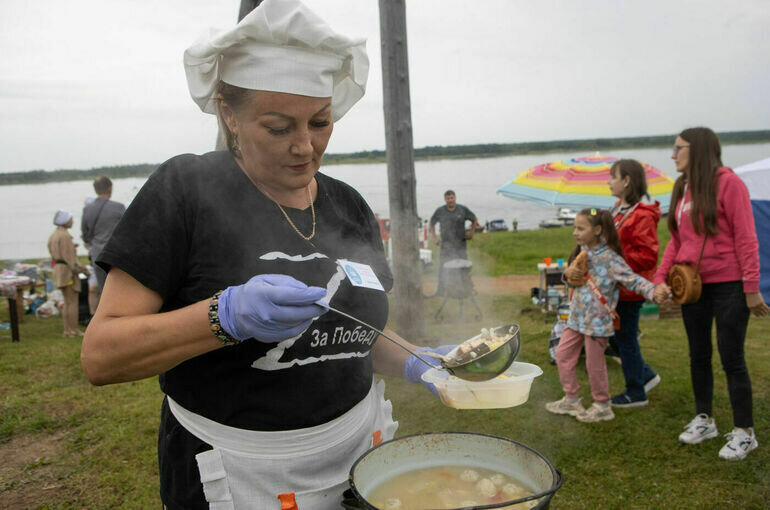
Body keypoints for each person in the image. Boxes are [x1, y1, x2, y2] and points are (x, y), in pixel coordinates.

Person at [80, 1, 453, 508]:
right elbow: (101, 355)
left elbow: (352, 325)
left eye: (320, 122)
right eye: (279, 127)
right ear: (228, 113)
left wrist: (415, 362)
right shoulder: (185, 192)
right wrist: (223, 315)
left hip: (359, 451)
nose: (305, 147)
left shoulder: (346, 204)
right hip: (235, 466)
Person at [653, 127, 769, 461]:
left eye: (677, 148)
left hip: (729, 286)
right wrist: (661, 278)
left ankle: (745, 432)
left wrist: (751, 289)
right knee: (698, 355)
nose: (673, 154)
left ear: (698, 149)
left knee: (732, 358)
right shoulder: (682, 187)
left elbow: (746, 239)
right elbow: (677, 240)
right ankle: (705, 419)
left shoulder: (729, 184)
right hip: (693, 287)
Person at [546, 208, 657, 423]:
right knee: (562, 355)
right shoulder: (581, 252)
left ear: (597, 230)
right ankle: (571, 399)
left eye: (580, 228)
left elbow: (633, 280)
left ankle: (602, 405)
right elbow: (572, 279)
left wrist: (654, 291)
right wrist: (568, 275)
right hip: (576, 318)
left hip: (598, 323)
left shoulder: (610, 259)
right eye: (574, 227)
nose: (575, 233)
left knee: (594, 365)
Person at [605, 159, 662, 408]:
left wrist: (614, 261)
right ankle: (646, 375)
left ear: (627, 181)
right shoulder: (617, 208)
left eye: (613, 177)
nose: (609, 182)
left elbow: (649, 255)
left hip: (630, 290)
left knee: (624, 338)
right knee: (615, 338)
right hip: (614, 289)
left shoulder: (642, 215)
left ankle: (635, 391)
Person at [81, 176, 125, 305]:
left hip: (97, 255)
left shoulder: (87, 209)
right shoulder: (118, 207)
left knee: (103, 291)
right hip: (115, 255)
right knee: (119, 290)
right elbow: (128, 230)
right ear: (110, 188)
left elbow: (85, 234)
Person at [429, 190, 478, 296]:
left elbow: (474, 219)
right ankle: (441, 291)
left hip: (460, 244)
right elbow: (431, 223)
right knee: (443, 268)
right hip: (446, 245)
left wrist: (471, 233)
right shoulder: (440, 211)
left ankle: (466, 289)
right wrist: (435, 237)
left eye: (452, 198)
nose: (450, 200)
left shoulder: (462, 209)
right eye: (448, 198)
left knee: (464, 268)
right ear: (445, 199)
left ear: (455, 198)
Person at [47, 210, 88, 337]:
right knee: (72, 301)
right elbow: (70, 259)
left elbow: (54, 251)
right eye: (71, 219)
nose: (72, 221)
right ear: (65, 221)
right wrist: (82, 270)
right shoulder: (65, 236)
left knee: (66, 301)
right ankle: (73, 330)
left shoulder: (54, 235)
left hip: (58, 269)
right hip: (67, 272)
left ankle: (67, 329)